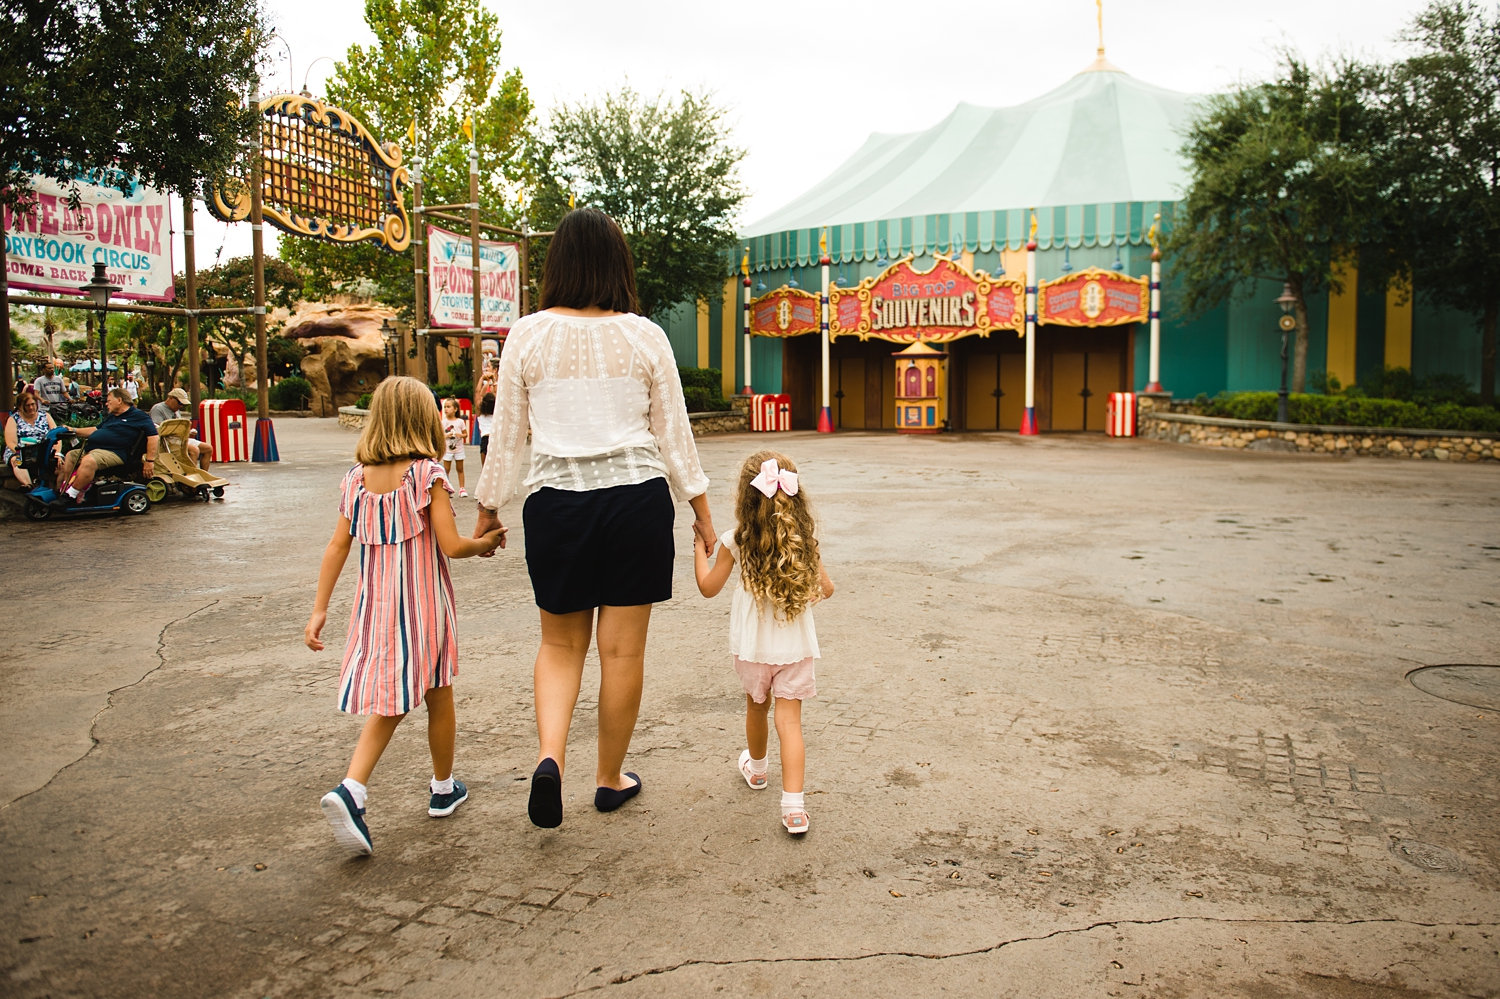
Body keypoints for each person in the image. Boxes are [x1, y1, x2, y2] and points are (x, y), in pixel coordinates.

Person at [472, 206, 716, 829]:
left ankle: (549, 758)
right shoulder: (645, 335)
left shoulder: (525, 335)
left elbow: (508, 437)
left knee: (559, 645)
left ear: (557, 264)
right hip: (636, 502)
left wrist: (487, 507)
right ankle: (608, 779)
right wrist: (703, 515)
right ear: (617, 265)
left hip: (556, 502)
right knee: (622, 654)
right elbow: (674, 436)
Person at [304, 376, 506, 857]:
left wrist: (318, 609)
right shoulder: (426, 475)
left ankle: (444, 787)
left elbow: (337, 546)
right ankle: (352, 789)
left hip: (375, 605)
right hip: (422, 604)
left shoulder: (357, 477)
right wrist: (488, 542)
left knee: (434, 687)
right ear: (421, 421)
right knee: (405, 698)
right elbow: (452, 546)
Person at [694, 452, 834, 835]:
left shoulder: (735, 541)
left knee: (757, 708)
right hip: (795, 649)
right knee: (790, 723)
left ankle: (757, 771)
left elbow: (708, 588)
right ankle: (794, 809)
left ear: (745, 497)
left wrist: (697, 548)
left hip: (754, 649)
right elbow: (827, 588)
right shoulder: (803, 539)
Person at [55, 388, 157, 501]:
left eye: (109, 400)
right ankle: (64, 489)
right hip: (97, 450)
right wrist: (73, 430)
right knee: (71, 455)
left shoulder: (139, 416)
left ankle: (70, 496)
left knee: (89, 461)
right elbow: (96, 430)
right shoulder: (113, 416)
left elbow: (153, 436)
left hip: (116, 452)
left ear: (119, 400)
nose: (106, 404)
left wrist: (149, 461)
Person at [149, 387, 214, 470]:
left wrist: (188, 432)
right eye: (179, 403)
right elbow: (157, 428)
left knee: (208, 448)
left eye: (183, 404)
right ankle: (192, 475)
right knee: (194, 450)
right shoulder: (158, 409)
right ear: (171, 398)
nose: (181, 406)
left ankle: (204, 474)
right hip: (167, 441)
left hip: (180, 439)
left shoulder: (176, 410)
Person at [4, 386, 52, 488]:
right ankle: (29, 486)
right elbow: (11, 442)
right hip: (21, 450)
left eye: (33, 404)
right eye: (27, 405)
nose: (31, 408)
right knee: (17, 460)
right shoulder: (14, 419)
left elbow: (55, 434)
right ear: (21, 406)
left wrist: (57, 452)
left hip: (42, 449)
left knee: (60, 462)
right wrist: (21, 451)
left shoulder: (45, 416)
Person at [439, 397, 468, 497]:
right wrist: (447, 435)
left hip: (458, 449)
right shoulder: (443, 422)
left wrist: (460, 435)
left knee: (460, 469)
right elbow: (440, 435)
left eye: (448, 407)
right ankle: (448, 488)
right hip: (448, 450)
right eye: (445, 407)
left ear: (455, 409)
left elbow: (465, 434)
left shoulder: (460, 421)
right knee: (446, 469)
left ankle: (462, 488)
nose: (446, 409)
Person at [476, 392, 495, 468]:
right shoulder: (496, 413)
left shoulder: (480, 414)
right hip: (494, 438)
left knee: (485, 467)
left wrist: (482, 380)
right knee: (494, 465)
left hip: (485, 438)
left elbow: (478, 394)